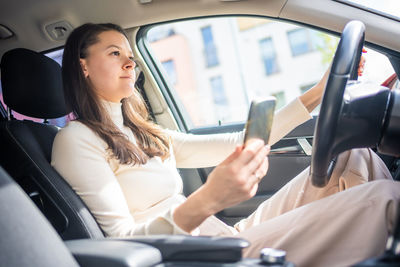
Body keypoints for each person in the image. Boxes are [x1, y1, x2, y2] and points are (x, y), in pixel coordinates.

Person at [51, 23, 400, 267]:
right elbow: (121, 241)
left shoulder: (144, 132)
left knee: (352, 155)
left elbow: (240, 141)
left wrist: (314, 96)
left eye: (131, 54)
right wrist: (210, 198)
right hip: (203, 256)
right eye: (115, 53)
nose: (131, 62)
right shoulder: (76, 139)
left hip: (225, 236)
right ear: (83, 66)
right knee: (387, 198)